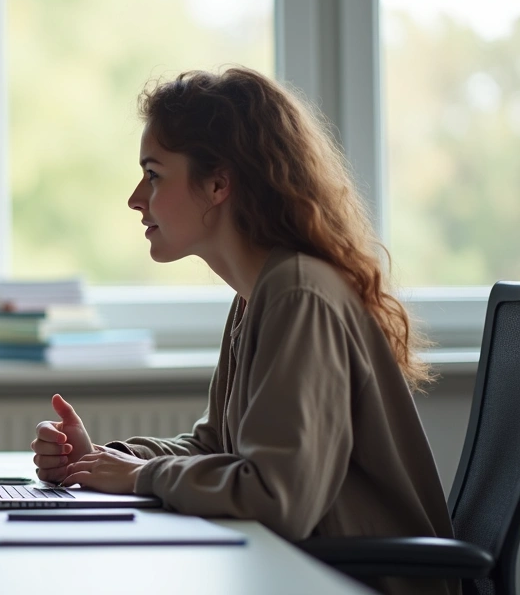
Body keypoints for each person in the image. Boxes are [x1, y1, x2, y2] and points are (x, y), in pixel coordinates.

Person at [30, 68, 455, 595]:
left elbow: (278, 498)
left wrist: (137, 477)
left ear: (217, 184)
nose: (137, 198)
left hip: (360, 582)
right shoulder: (259, 293)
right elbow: (216, 447)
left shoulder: (298, 294)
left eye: (154, 174)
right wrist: (104, 461)